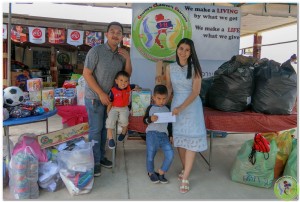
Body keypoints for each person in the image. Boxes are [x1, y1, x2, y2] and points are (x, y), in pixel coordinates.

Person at [83, 21, 132, 177]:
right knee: (96, 130)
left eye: (119, 33)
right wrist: (101, 94)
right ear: (107, 34)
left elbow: (127, 75)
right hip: (95, 98)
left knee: (106, 128)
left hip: (111, 101)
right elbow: (87, 74)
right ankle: (94, 162)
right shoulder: (96, 51)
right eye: (112, 31)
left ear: (122, 37)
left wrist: (128, 59)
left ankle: (101, 156)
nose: (115, 34)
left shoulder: (121, 55)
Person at [165, 38, 207, 193]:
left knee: (191, 143)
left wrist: (181, 107)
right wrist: (161, 102)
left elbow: (196, 92)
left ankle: (186, 177)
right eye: (181, 48)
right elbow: (169, 88)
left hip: (191, 108)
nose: (183, 52)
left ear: (191, 53)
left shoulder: (195, 68)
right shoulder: (169, 68)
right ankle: (185, 169)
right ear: (177, 49)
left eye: (187, 50)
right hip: (176, 106)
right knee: (181, 141)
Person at [143, 84, 174, 184]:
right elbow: (144, 121)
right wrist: (150, 119)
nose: (161, 101)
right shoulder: (150, 108)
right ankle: (151, 172)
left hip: (164, 135)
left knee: (170, 154)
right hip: (151, 134)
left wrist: (171, 135)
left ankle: (162, 171)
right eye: (159, 98)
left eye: (164, 99)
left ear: (167, 97)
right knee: (150, 155)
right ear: (153, 98)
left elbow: (170, 124)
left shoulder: (168, 108)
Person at [106, 70, 140, 149]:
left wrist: (137, 87)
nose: (123, 83)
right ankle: (110, 138)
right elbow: (110, 102)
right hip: (114, 108)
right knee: (110, 120)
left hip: (124, 108)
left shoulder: (128, 87)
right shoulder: (113, 90)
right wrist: (108, 112)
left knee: (124, 119)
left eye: (126, 81)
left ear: (128, 82)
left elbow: (135, 85)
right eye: (121, 80)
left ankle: (124, 132)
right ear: (116, 81)